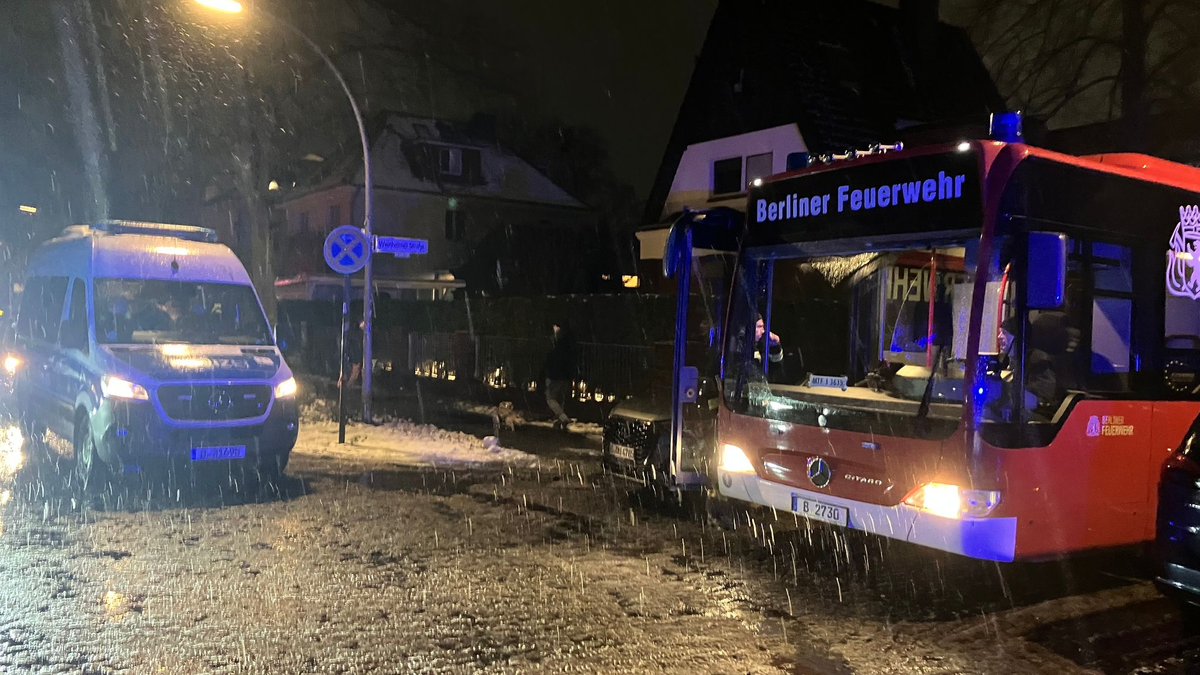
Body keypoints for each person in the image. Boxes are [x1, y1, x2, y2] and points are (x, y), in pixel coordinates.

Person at [543, 322, 576, 431]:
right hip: (564, 376)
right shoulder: (568, 345)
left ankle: (563, 417)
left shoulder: (556, 346)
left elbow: (550, 360)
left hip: (555, 376)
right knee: (560, 398)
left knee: (550, 398)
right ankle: (560, 420)